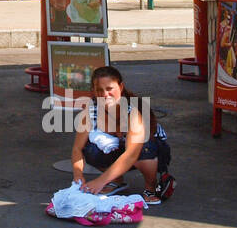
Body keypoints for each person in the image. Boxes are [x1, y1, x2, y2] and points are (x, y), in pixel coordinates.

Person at [70, 65, 175, 204]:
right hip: (119, 148)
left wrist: (100, 181)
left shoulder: (134, 111)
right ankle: (115, 181)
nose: (105, 94)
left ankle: (151, 187)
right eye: (99, 90)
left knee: (144, 146)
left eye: (109, 89)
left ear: (120, 87)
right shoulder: (91, 111)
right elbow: (77, 148)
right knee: (90, 149)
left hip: (149, 151)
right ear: (93, 91)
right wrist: (78, 175)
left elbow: (131, 154)